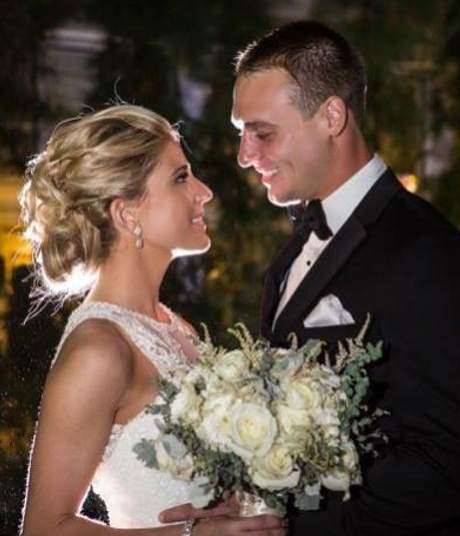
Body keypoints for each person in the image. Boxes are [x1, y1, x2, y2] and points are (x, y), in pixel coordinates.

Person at [160, 21, 460, 534]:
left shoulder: (430, 255)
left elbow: (445, 471)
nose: (245, 157)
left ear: (331, 116)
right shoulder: (288, 259)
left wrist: (291, 528)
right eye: (241, 134)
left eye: (263, 133)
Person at [18, 104, 284, 534]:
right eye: (180, 178)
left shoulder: (176, 327)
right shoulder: (99, 349)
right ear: (127, 214)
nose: (204, 192)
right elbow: (43, 529)